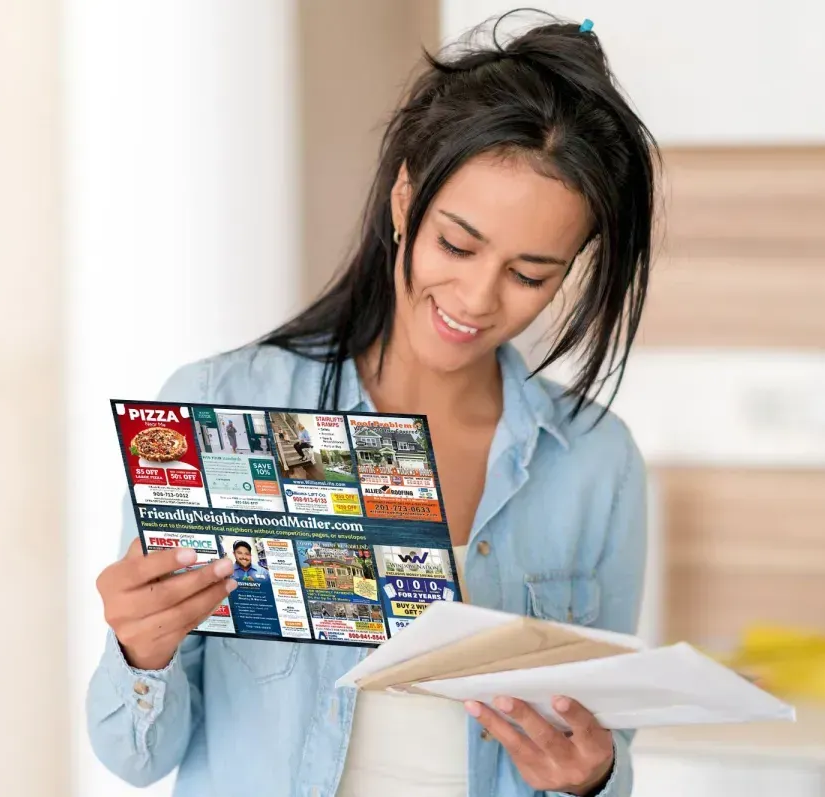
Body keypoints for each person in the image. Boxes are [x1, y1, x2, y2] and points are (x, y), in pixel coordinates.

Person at [89, 12, 656, 797]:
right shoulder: (220, 406)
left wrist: (590, 774)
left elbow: (601, 744)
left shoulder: (596, 462)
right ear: (403, 199)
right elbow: (135, 756)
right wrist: (138, 652)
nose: (477, 297)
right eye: (457, 245)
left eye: (531, 274)